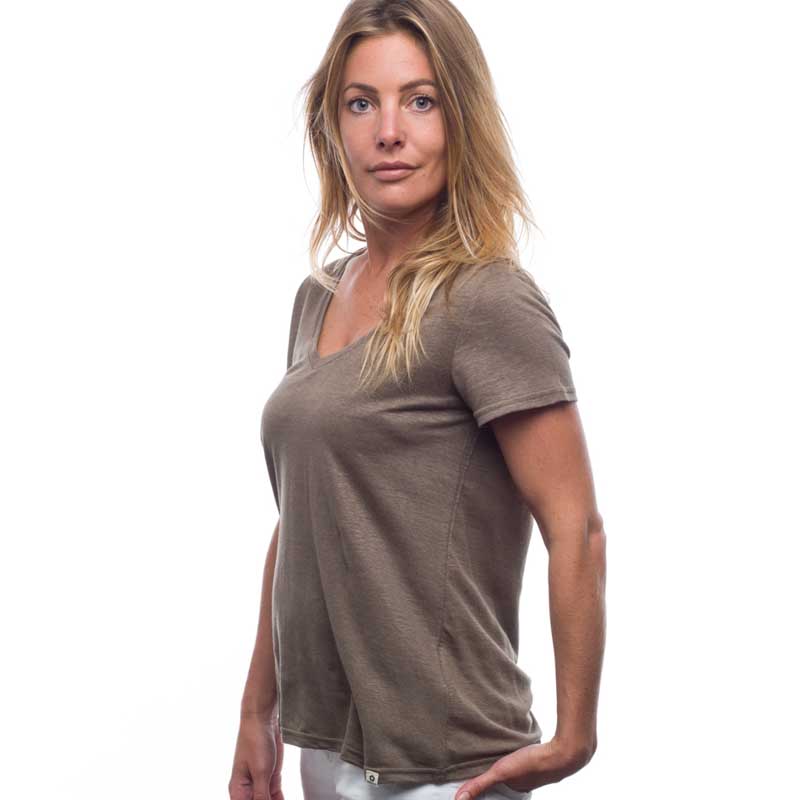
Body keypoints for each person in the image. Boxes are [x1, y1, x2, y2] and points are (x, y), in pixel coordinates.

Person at [229, 2, 606, 799]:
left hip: (452, 765)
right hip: (328, 748)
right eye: (361, 103)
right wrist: (257, 710)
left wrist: (575, 735)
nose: (389, 132)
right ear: (332, 126)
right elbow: (301, 517)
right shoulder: (319, 295)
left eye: (421, 100)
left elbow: (576, 527)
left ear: (460, 117)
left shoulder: (488, 300)